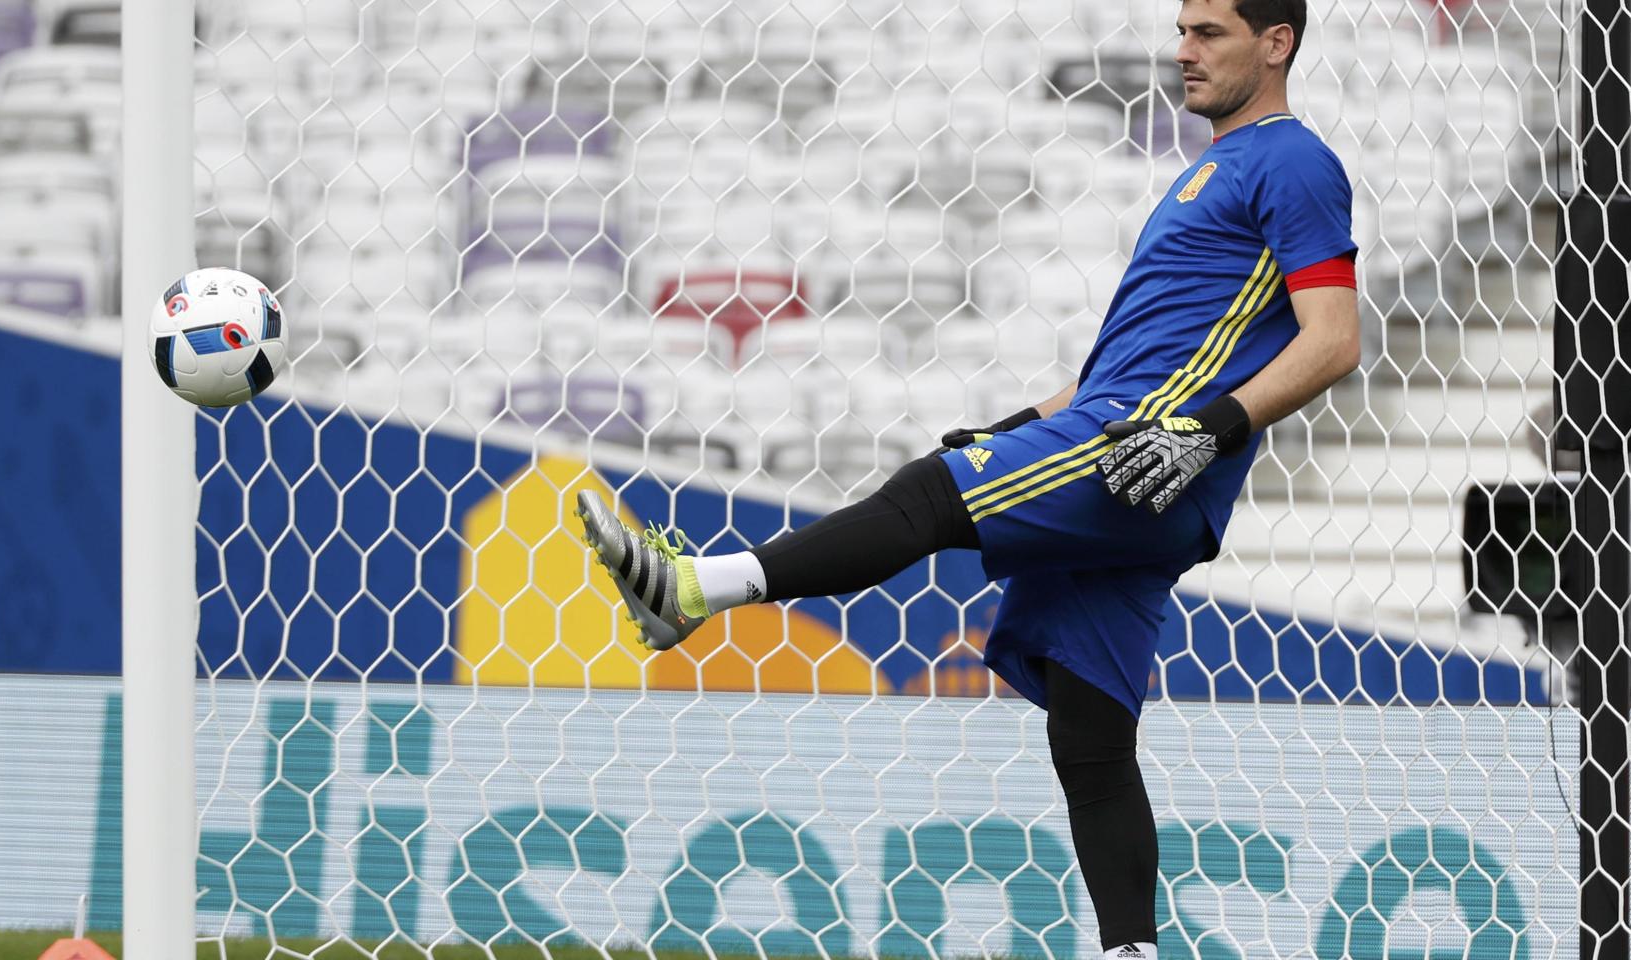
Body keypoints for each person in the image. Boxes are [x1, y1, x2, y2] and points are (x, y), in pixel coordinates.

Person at [577, 0, 1359, 955]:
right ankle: (1132, 950)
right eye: (1183, 30)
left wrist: (1211, 428)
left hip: (1142, 453)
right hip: (1131, 448)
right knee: (1092, 737)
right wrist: (1020, 426)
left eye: (1209, 34)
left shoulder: (1292, 160)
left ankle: (695, 590)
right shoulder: (1208, 169)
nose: (1182, 51)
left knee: (927, 494)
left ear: (1276, 43)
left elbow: (1334, 339)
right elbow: (1128, 360)